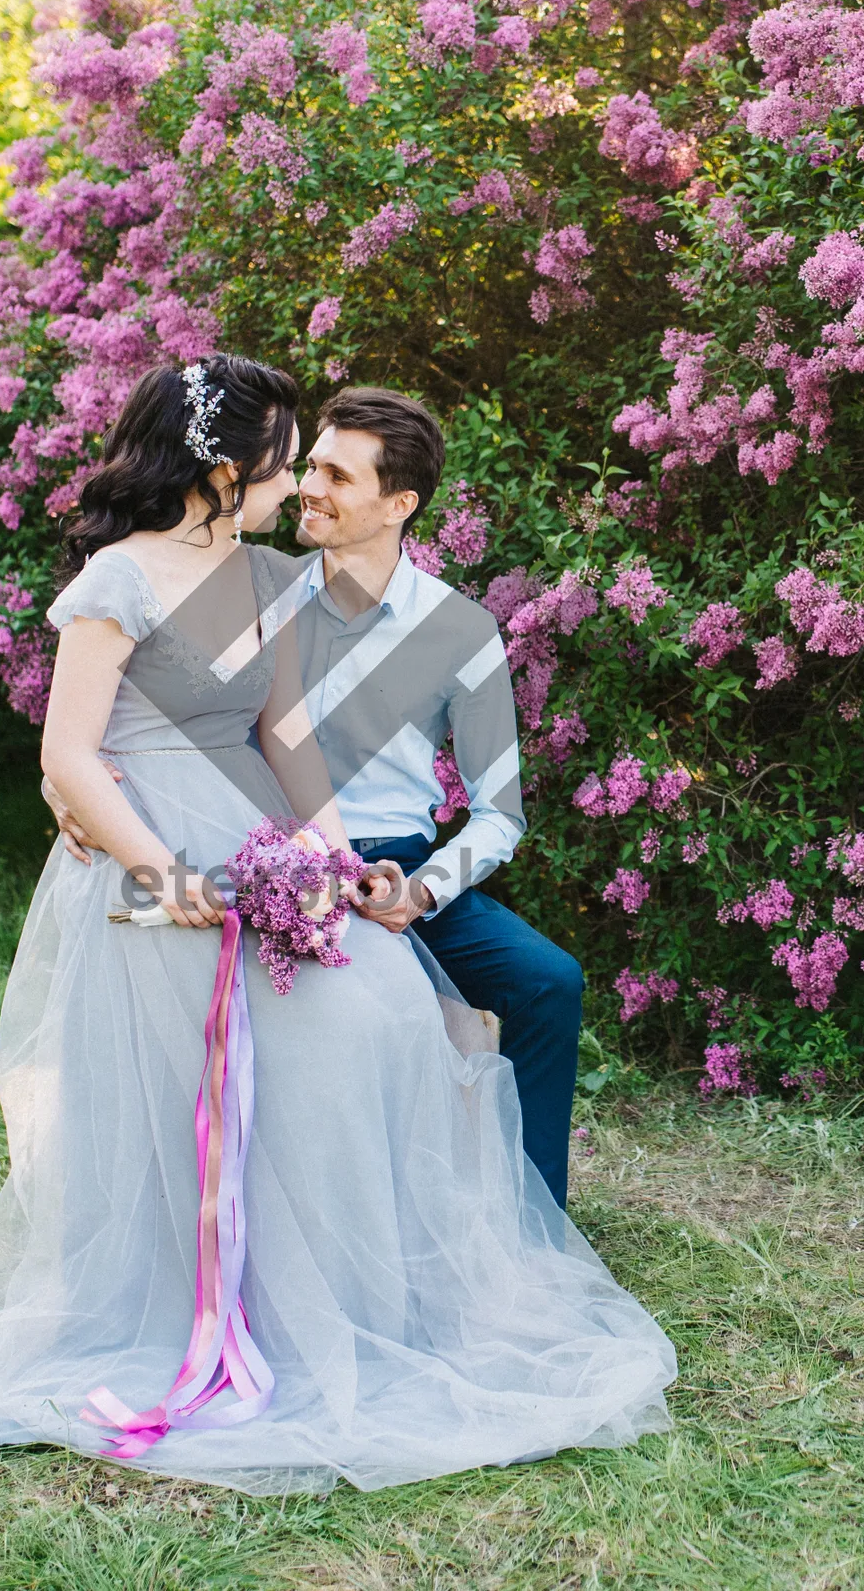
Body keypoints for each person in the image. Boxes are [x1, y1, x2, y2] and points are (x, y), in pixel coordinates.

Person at [0, 353, 676, 1494]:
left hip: (281, 840)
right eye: (288, 465)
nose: (298, 488)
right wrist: (152, 862)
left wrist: (327, 853)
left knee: (382, 1014)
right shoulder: (120, 580)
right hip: (154, 855)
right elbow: (71, 748)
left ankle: (374, 1283)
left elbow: (288, 738)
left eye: (321, 470)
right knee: (182, 1075)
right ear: (227, 472)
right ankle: (193, 1302)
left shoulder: (289, 586)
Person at [50, 386, 585, 1208]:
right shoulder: (251, 579)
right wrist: (60, 779)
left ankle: (531, 1218)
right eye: (307, 466)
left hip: (396, 868)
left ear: (398, 503)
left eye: (335, 475)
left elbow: (500, 810)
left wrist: (424, 888)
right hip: (257, 851)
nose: (308, 486)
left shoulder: (462, 632)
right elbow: (126, 705)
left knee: (548, 981)